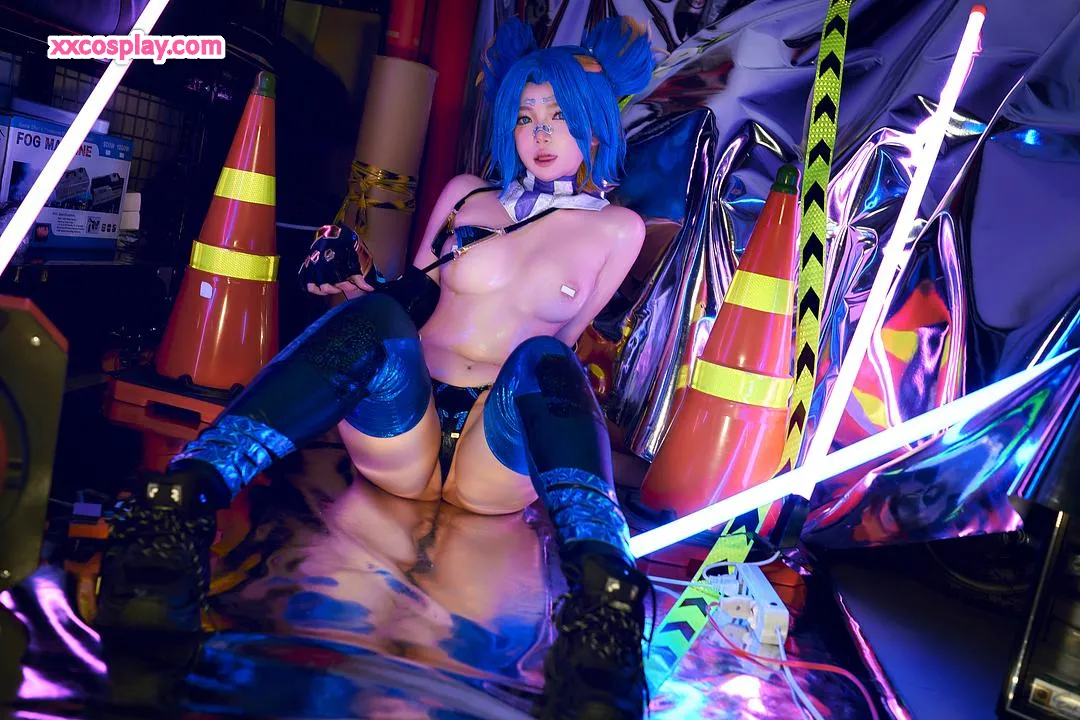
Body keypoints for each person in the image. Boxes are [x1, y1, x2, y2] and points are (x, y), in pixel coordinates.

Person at [96, 16, 657, 720]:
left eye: (559, 116)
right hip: (405, 424)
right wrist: (352, 278)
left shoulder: (617, 230)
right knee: (379, 316)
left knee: (544, 359)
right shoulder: (466, 195)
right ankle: (176, 505)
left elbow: (565, 347)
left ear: (595, 122)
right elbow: (410, 299)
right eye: (525, 116)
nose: (540, 134)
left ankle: (605, 594)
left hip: (494, 449)